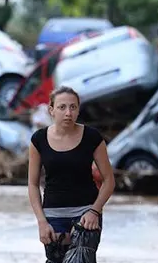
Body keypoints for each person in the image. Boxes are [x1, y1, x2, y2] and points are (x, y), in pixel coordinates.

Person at [28, 86, 115, 244]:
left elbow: (109, 180)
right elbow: (33, 184)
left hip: (87, 213)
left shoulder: (92, 137)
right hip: (53, 215)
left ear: (78, 110)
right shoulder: (38, 140)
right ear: (51, 110)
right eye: (62, 107)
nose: (68, 113)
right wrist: (41, 221)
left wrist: (94, 211)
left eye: (73, 107)